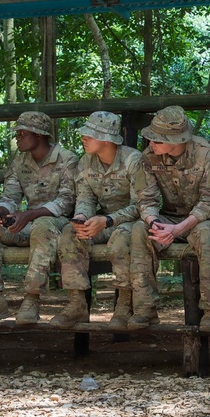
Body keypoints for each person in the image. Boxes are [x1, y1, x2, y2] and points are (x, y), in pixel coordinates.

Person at [0, 111, 77, 325]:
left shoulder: (67, 159)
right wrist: (1, 211)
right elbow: (10, 196)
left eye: (23, 133)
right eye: (18, 133)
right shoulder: (20, 161)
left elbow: (67, 202)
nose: (18, 137)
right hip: (28, 223)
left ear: (40, 135)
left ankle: (31, 300)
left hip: (59, 225)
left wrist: (30, 214)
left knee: (42, 225)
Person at [130, 106, 210, 330]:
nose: (151, 142)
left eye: (158, 139)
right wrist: (155, 224)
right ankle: (145, 308)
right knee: (140, 230)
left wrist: (178, 230)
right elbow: (145, 200)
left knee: (205, 235)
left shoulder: (208, 153)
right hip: (168, 219)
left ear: (177, 139)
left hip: (207, 220)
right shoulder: (147, 158)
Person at [51, 111, 154, 329]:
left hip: (129, 222)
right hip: (101, 221)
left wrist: (107, 220)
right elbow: (86, 198)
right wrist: (82, 217)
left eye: (90, 135)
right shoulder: (86, 162)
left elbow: (141, 205)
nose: (84, 138)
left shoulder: (133, 160)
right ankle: (76, 303)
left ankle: (124, 305)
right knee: (70, 233)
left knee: (120, 240)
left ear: (107, 139)